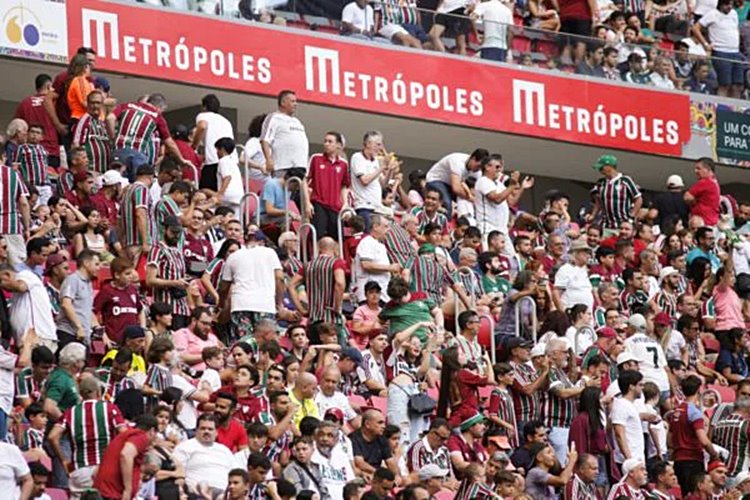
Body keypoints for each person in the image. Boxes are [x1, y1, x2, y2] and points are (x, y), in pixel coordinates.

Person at [47, 376, 127, 496]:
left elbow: (52, 436)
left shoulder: (70, 412)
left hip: (80, 470)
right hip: (104, 469)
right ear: (99, 392)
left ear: (80, 394)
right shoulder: (109, 409)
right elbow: (124, 433)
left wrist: (64, 460)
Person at [219, 226, 294, 340]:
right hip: (265, 304)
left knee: (245, 343)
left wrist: (221, 303)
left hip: (241, 304)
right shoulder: (270, 253)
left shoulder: (233, 256)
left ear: (244, 239)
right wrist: (279, 303)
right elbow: (279, 278)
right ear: (262, 241)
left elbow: (224, 287)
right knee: (266, 342)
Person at [92, 414, 159, 500]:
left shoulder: (123, 436)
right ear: (152, 430)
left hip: (104, 491)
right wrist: (128, 489)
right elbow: (126, 454)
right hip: (113, 493)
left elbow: (95, 473)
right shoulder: (141, 436)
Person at [145, 216, 191, 330]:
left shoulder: (178, 251)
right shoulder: (157, 249)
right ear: (165, 229)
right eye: (173, 232)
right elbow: (150, 280)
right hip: (165, 308)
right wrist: (174, 283)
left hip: (182, 307)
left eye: (178, 232)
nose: (176, 235)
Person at [173, 414, 235, 496]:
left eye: (210, 429)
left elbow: (236, 473)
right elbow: (178, 473)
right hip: (196, 494)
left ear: (216, 432)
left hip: (224, 494)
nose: (206, 431)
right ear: (196, 430)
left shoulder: (225, 450)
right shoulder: (184, 447)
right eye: (203, 428)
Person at [693, 0, 744, 98]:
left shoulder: (734, 13)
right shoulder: (712, 14)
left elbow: (735, 29)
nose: (729, 6)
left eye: (731, 4)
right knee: (724, 84)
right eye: (726, 4)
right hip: (721, 51)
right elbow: (695, 28)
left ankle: (735, 108)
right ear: (720, 4)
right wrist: (705, 44)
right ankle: (721, 107)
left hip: (735, 51)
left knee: (738, 85)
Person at [306, 131, 349, 240]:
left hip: (335, 206)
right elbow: (304, 181)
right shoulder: (316, 158)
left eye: (330, 141)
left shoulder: (343, 164)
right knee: (318, 234)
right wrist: (307, 203)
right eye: (325, 141)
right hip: (318, 203)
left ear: (338, 145)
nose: (326, 144)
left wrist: (345, 203)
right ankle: (313, 256)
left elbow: (344, 185)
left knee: (337, 237)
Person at [425, 149, 488, 220]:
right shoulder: (457, 161)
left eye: (481, 168)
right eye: (478, 166)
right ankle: (445, 226)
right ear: (473, 159)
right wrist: (471, 197)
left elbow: (480, 188)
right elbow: (456, 188)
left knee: (464, 202)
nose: (478, 169)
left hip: (450, 185)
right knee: (447, 203)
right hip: (436, 180)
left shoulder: (477, 171)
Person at [588, 155, 642, 236]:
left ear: (609, 167)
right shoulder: (600, 183)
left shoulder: (625, 180)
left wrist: (631, 216)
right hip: (606, 225)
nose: (600, 170)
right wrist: (593, 215)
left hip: (622, 225)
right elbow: (598, 202)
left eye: (602, 168)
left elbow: (638, 198)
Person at [56, 249, 100, 349]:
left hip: (82, 336)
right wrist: (79, 327)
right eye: (96, 264)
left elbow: (87, 310)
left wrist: (98, 329)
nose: (99, 268)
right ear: (86, 263)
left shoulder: (88, 284)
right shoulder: (73, 279)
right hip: (69, 334)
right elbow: (66, 304)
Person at [261, 90, 309, 177]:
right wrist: (268, 159)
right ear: (283, 102)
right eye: (292, 101)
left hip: (300, 168)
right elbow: (265, 139)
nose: (295, 104)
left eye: (296, 101)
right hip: (283, 167)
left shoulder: (297, 121)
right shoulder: (274, 117)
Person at [193, 94, 235, 191]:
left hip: (213, 161)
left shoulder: (203, 116)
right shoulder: (226, 121)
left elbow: (202, 126)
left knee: (205, 191)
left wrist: (194, 146)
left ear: (204, 106)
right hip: (231, 162)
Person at [611, 370, 646, 467]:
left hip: (636, 458)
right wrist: (629, 460)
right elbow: (619, 434)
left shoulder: (629, 405)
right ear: (631, 386)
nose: (642, 388)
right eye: (640, 385)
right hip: (629, 461)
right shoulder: (621, 405)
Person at [71, 90, 110, 174]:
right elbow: (75, 145)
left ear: (102, 105)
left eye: (98, 103)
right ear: (87, 104)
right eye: (92, 103)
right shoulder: (85, 120)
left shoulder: (102, 123)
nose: (95, 106)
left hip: (103, 173)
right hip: (90, 173)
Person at [684, 158, 720, 227]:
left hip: (703, 222)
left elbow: (686, 197)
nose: (695, 171)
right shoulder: (714, 182)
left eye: (698, 168)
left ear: (707, 169)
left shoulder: (706, 182)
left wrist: (694, 201)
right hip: (711, 222)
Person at [215, 137, 244, 215]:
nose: (216, 152)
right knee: (236, 217)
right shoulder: (233, 162)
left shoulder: (223, 161)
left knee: (221, 213)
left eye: (218, 150)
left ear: (223, 149)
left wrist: (220, 194)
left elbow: (227, 177)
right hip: (238, 195)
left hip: (228, 195)